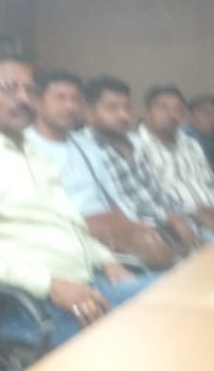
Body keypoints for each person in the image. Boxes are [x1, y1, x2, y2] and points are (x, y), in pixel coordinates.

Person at [0, 52, 153, 347]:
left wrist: (105, 259)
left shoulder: (34, 154)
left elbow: (67, 226)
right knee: (173, 321)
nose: (23, 98)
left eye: (30, 90)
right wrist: (50, 284)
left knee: (184, 297)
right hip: (31, 309)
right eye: (9, 88)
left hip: (88, 287)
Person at [24, 70, 174, 267]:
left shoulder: (85, 145)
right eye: (60, 98)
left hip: (108, 227)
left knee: (165, 253)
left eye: (75, 99)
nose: (70, 106)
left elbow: (112, 196)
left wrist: (132, 225)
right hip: (71, 233)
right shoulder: (24, 147)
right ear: (37, 101)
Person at [82, 76, 202, 252]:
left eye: (126, 108)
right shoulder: (88, 151)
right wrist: (169, 217)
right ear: (89, 112)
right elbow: (122, 206)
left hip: (169, 225)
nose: (123, 115)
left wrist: (187, 214)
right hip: (136, 237)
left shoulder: (134, 142)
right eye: (112, 108)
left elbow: (156, 192)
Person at [136, 85, 214, 237]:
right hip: (180, 226)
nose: (172, 115)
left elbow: (209, 181)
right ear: (147, 112)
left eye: (178, 109)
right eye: (163, 108)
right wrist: (192, 213)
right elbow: (146, 201)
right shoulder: (136, 149)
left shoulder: (191, 144)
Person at [183, 94, 214, 168]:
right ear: (189, 116)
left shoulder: (208, 135)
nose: (212, 117)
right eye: (206, 113)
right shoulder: (186, 138)